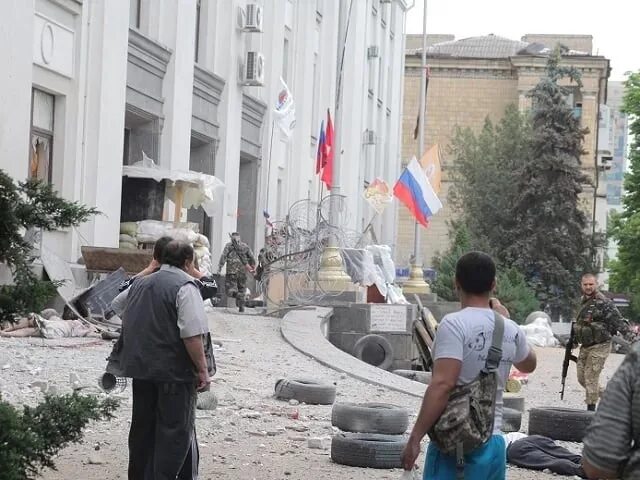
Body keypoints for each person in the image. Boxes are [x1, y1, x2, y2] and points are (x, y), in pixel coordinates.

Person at [401, 251, 537, 479]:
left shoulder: (453, 324)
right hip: (494, 443)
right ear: (494, 284)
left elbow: (443, 384)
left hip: (457, 443)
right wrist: (507, 320)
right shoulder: (510, 328)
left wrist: (415, 438)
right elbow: (529, 363)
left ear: (456, 283)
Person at [111, 241, 210, 480]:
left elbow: (116, 304)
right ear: (188, 263)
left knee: (143, 430)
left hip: (142, 370)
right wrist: (203, 371)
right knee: (174, 432)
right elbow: (192, 335)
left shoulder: (140, 284)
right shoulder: (186, 287)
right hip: (174, 374)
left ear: (160, 259)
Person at [574, 273, 635, 411]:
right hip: (586, 346)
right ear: (581, 285)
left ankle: (590, 411)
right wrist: (573, 341)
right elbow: (579, 324)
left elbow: (619, 322)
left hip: (600, 345)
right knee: (581, 378)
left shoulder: (604, 303)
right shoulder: (582, 302)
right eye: (585, 284)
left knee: (590, 377)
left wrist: (634, 340)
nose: (588, 287)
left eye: (591, 284)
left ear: (596, 284)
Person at [581, 343, 640, 479]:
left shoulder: (637, 357)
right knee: (585, 379)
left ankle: (593, 405)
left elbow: (600, 461)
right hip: (587, 348)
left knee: (591, 380)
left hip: (599, 348)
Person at [217, 232, 256, 312]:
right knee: (242, 289)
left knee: (230, 290)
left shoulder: (228, 246)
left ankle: (238, 296)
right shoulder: (245, 246)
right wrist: (253, 267)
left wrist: (220, 267)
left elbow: (223, 256)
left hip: (231, 272)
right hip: (242, 272)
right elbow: (252, 257)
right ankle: (241, 307)